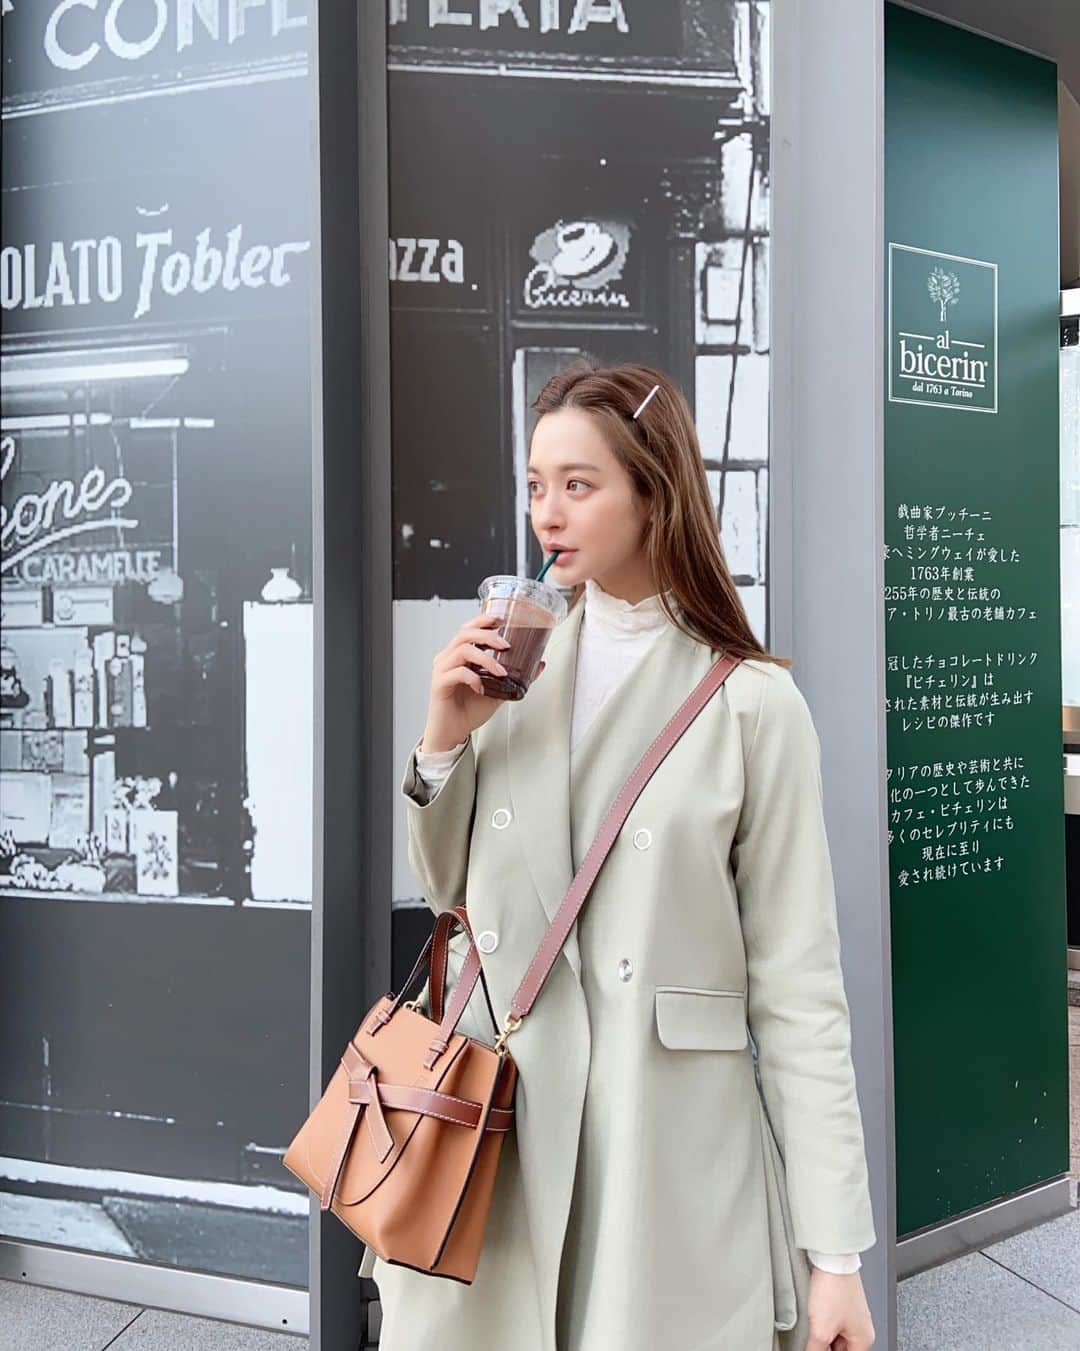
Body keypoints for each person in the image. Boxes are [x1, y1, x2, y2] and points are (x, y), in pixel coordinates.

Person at [362, 360, 877, 1351]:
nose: (547, 513)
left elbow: (800, 989)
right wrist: (442, 739)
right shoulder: (518, 665)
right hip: (501, 1131)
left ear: (656, 490)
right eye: (535, 483)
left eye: (579, 483)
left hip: (664, 1145)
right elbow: (446, 894)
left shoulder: (753, 706)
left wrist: (837, 1257)